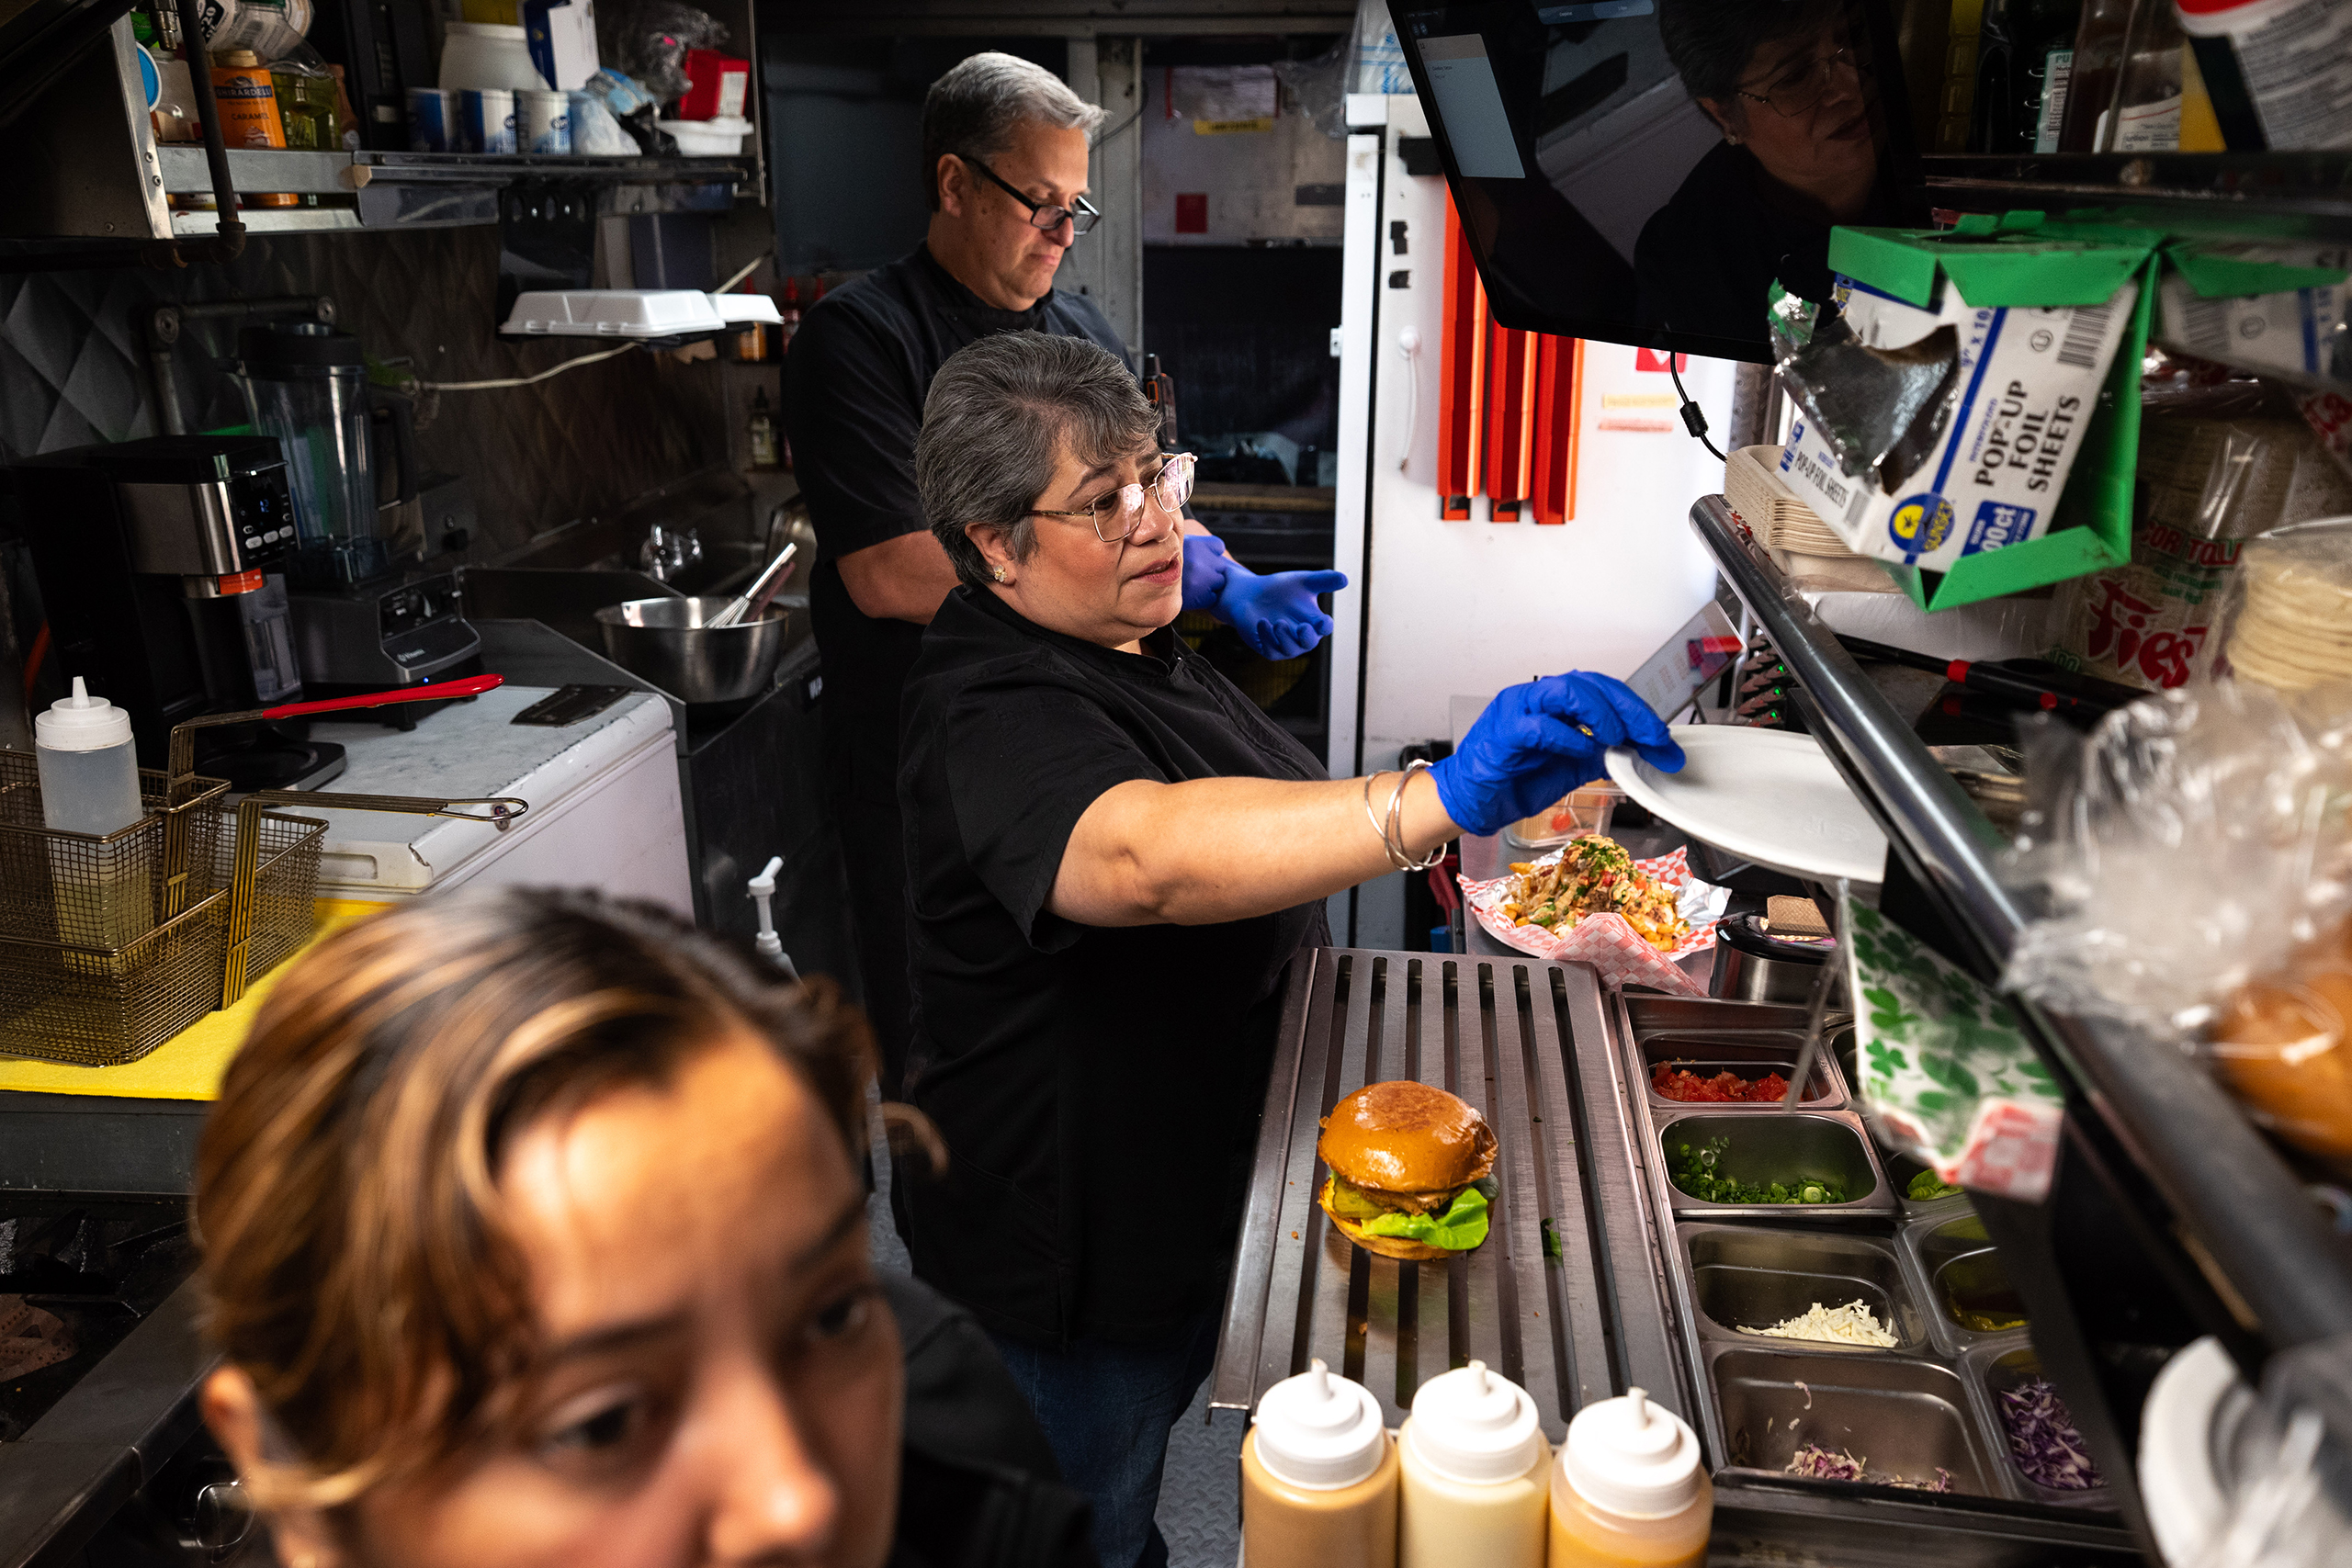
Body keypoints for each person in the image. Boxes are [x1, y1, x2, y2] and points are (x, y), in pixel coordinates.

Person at [894, 331, 1685, 1568]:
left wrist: (1208, 586)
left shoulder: (1120, 626)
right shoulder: (986, 703)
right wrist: (1431, 799)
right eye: (1105, 502)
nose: (1155, 520)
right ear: (995, 542)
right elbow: (1143, 857)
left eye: (1157, 475)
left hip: (1191, 1179)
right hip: (1069, 1240)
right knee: (1075, 1526)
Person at [193, 888, 1095, 1568]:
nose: (793, 1505)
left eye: (831, 1316)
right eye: (600, 1423)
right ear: (294, 1476)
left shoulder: (982, 1514)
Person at [786, 51, 1344, 1098]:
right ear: (953, 185)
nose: (1060, 230)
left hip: (1097, 724)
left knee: (1109, 1036)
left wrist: (1219, 570)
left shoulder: (1079, 331)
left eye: (1074, 205)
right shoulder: (862, 338)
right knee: (962, 1056)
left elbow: (1135, 497)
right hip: (942, 759)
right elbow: (893, 572)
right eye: (1037, 202)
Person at [1634, 0, 1906, 344]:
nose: (1850, 84)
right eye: (1795, 77)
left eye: (1853, 36)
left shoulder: (1943, 100)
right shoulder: (1693, 265)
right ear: (1724, 115)